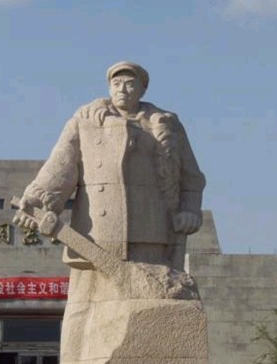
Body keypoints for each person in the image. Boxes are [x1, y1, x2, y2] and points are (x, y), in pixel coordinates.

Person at [13, 61, 205, 271]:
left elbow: (191, 178)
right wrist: (36, 203)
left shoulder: (165, 125)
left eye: (129, 84)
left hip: (151, 233)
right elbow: (60, 168)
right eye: (116, 83)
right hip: (95, 238)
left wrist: (189, 211)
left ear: (142, 89)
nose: (122, 89)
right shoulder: (85, 120)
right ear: (109, 88)